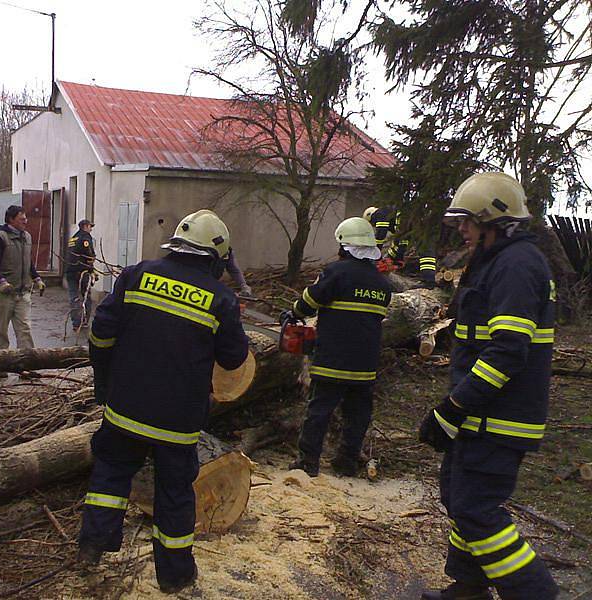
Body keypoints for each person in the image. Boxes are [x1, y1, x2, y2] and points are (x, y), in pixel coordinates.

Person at [77, 209, 249, 593]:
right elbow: (234, 359)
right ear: (215, 257)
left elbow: (101, 333)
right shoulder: (221, 299)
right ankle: (174, 576)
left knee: (110, 475)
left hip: (125, 407)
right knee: (173, 494)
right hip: (179, 420)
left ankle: (92, 545)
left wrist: (104, 382)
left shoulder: (137, 274)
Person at [418, 172, 558, 600]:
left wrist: (453, 408)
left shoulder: (516, 266)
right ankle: (469, 588)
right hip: (483, 415)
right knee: (458, 496)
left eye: (468, 221)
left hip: (499, 418)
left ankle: (534, 593)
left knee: (475, 508)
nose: (461, 229)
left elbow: (507, 351)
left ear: (495, 222)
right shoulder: (499, 262)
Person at [285, 217, 392, 477]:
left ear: (345, 246)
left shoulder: (336, 272)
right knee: (357, 416)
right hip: (365, 364)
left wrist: (293, 312)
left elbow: (311, 299)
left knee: (319, 411)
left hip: (332, 358)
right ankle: (346, 460)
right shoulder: (382, 285)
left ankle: (308, 460)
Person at [0, 205, 45, 361]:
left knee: (25, 330)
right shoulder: (0, 238)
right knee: (2, 332)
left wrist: (37, 278)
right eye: (21, 219)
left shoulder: (27, 237)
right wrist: (1, 281)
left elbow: (28, 262)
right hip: (4, 294)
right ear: (11, 219)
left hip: (23, 293)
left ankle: (26, 365)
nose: (25, 221)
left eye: (25, 218)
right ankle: (1, 364)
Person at [363, 205, 436, 287]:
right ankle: (429, 280)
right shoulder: (397, 221)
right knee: (427, 254)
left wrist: (375, 252)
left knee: (426, 255)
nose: (375, 226)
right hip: (420, 227)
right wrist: (393, 259)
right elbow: (401, 242)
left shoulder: (378, 213)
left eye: (374, 224)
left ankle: (429, 281)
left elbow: (381, 231)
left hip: (419, 227)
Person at [66, 219, 97, 330]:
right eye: (90, 226)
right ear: (85, 226)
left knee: (74, 297)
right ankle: (83, 321)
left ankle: (75, 323)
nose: (91, 229)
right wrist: (92, 268)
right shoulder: (85, 237)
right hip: (82, 272)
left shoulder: (73, 238)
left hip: (70, 271)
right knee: (85, 297)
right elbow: (89, 255)